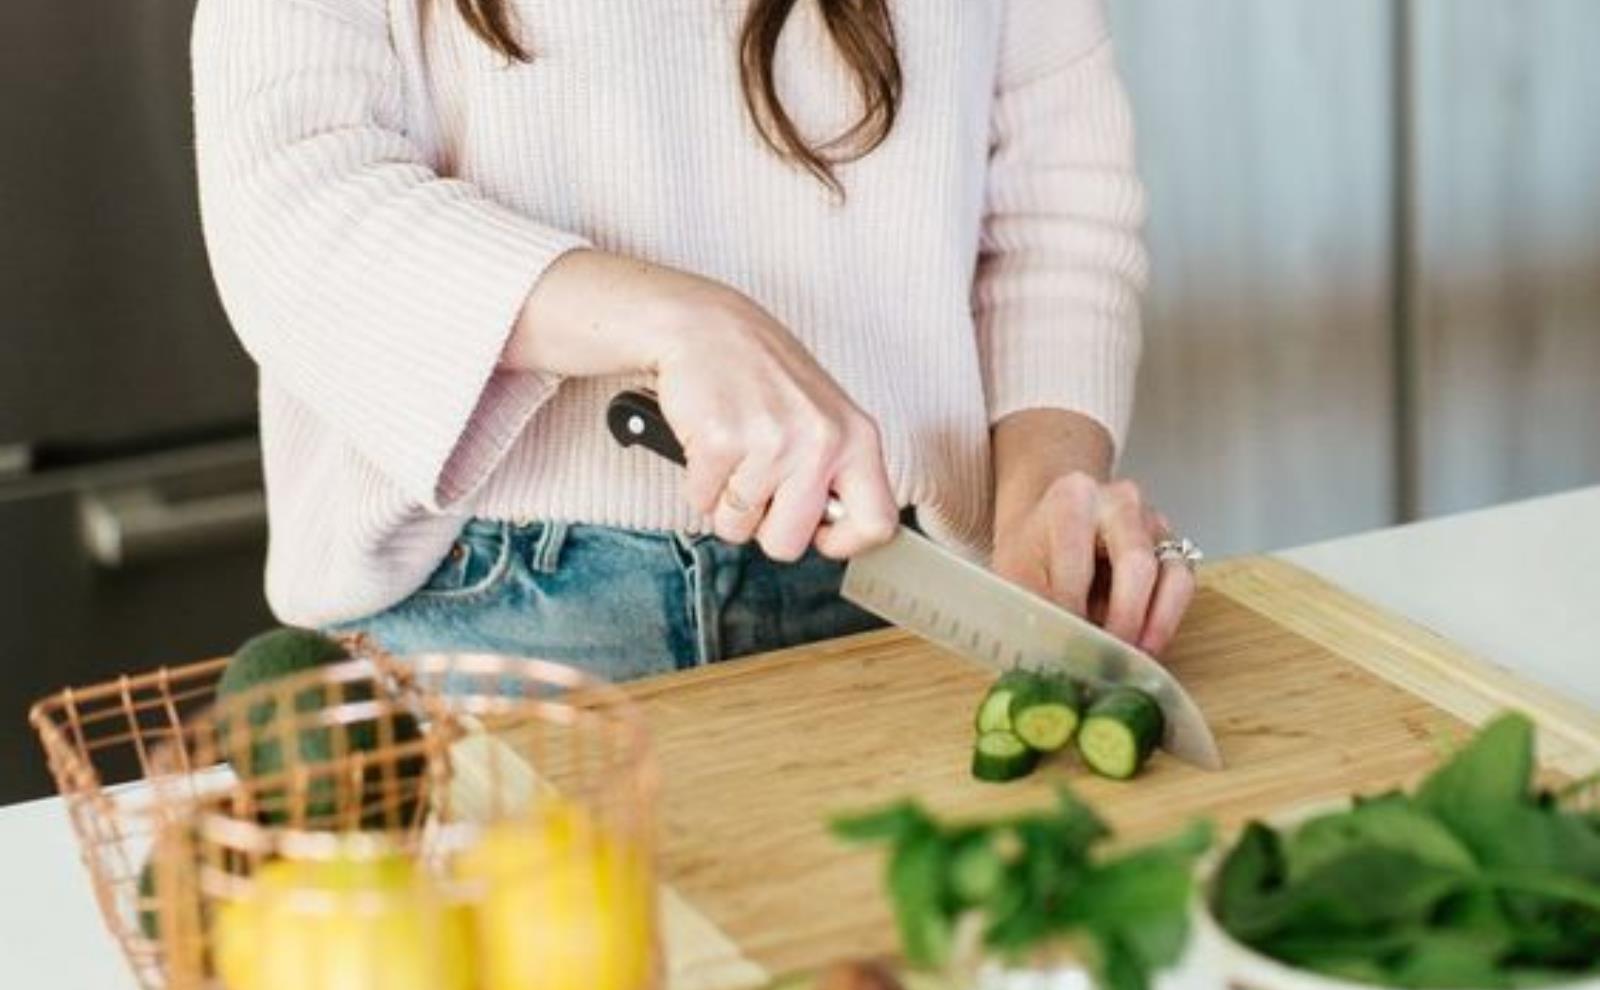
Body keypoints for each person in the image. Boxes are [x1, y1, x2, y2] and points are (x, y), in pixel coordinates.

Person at [192, 0, 1200, 684]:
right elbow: (289, 199)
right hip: (492, 610)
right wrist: (679, 323)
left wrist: (1039, 510)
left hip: (907, 589)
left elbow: (1055, 215)